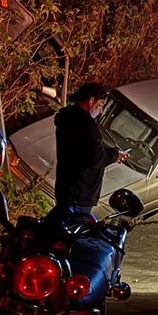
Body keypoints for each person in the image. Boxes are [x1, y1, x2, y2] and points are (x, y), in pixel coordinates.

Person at [48, 81, 129, 225]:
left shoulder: (69, 118)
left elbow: (87, 151)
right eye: (101, 105)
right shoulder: (84, 124)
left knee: (56, 228)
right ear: (91, 101)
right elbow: (95, 158)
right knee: (65, 237)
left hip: (68, 187)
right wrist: (115, 155)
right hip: (79, 192)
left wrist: (110, 152)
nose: (101, 111)